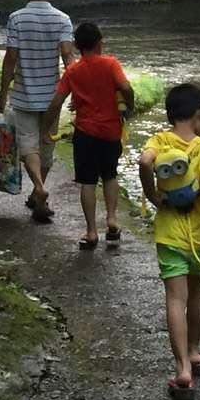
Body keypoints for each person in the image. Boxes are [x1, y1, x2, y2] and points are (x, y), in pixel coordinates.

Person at [139, 83, 200, 400]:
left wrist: (152, 196)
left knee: (175, 299)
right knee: (197, 290)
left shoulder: (160, 141)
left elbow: (144, 161)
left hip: (169, 233)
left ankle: (182, 371)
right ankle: (193, 351)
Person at [44, 21, 135, 250]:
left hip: (85, 135)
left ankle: (91, 231)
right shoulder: (111, 63)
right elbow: (126, 88)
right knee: (110, 175)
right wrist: (129, 107)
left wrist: (45, 128)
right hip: (111, 132)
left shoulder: (73, 70)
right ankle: (112, 219)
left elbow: (56, 102)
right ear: (100, 42)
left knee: (87, 182)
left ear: (76, 45)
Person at [0, 0, 73, 222]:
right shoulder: (62, 19)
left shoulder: (17, 18)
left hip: (24, 96)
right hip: (52, 96)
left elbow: (10, 59)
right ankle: (36, 195)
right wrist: (78, 93)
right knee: (46, 145)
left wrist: (3, 93)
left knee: (28, 145)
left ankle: (39, 189)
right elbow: (67, 57)